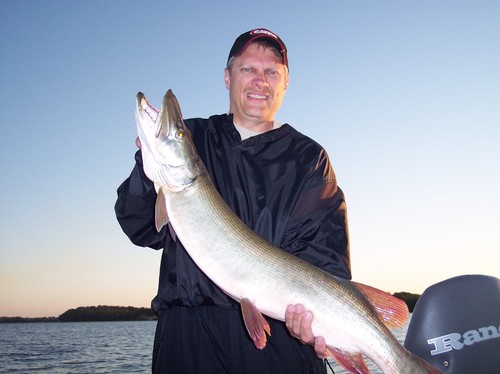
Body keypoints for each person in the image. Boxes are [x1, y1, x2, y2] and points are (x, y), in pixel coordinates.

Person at [115, 28, 351, 373]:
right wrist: (148, 171)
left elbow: (325, 260)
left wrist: (311, 322)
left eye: (272, 72)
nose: (260, 81)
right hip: (187, 341)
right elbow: (139, 226)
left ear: (285, 83)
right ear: (227, 77)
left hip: (279, 344)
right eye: (248, 69)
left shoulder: (309, 158)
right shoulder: (195, 136)